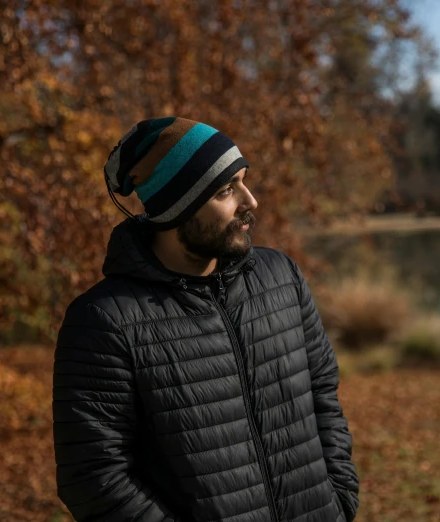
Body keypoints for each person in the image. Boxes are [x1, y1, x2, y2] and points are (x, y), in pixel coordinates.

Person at [52, 117, 359, 522]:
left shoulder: (281, 278)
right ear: (176, 207)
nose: (251, 202)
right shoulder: (105, 321)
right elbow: (92, 476)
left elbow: (322, 393)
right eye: (226, 190)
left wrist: (339, 495)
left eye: (245, 182)